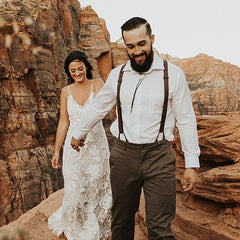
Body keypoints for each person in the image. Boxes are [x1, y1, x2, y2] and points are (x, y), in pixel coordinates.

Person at [71, 17, 200, 240]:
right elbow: (98, 107)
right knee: (121, 222)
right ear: (125, 46)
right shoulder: (118, 75)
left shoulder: (174, 75)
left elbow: (186, 119)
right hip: (123, 156)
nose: (137, 51)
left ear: (151, 39)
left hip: (159, 156)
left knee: (160, 228)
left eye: (141, 44)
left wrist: (192, 164)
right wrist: (79, 132)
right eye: (130, 46)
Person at [48, 51, 112, 240]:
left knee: (96, 187)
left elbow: (101, 112)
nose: (77, 73)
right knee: (75, 188)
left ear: (86, 67)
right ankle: (76, 228)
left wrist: (84, 132)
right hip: (73, 148)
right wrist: (56, 151)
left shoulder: (97, 84)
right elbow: (63, 122)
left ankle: (95, 229)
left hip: (96, 145)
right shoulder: (65, 92)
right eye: (73, 71)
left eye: (80, 68)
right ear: (69, 72)